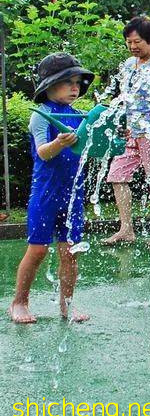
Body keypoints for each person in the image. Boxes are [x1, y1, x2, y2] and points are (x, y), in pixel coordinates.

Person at [9, 53, 94, 324]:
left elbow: (90, 148)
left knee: (70, 250)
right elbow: (43, 152)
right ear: (48, 85)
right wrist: (59, 143)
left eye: (78, 82)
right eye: (68, 82)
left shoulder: (80, 115)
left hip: (73, 193)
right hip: (45, 192)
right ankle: (19, 302)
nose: (75, 87)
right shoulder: (42, 115)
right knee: (38, 250)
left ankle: (67, 304)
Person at [103, 16, 150, 247]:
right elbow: (127, 100)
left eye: (137, 42)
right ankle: (126, 229)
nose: (133, 46)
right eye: (129, 42)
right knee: (116, 175)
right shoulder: (128, 65)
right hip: (133, 132)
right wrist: (125, 125)